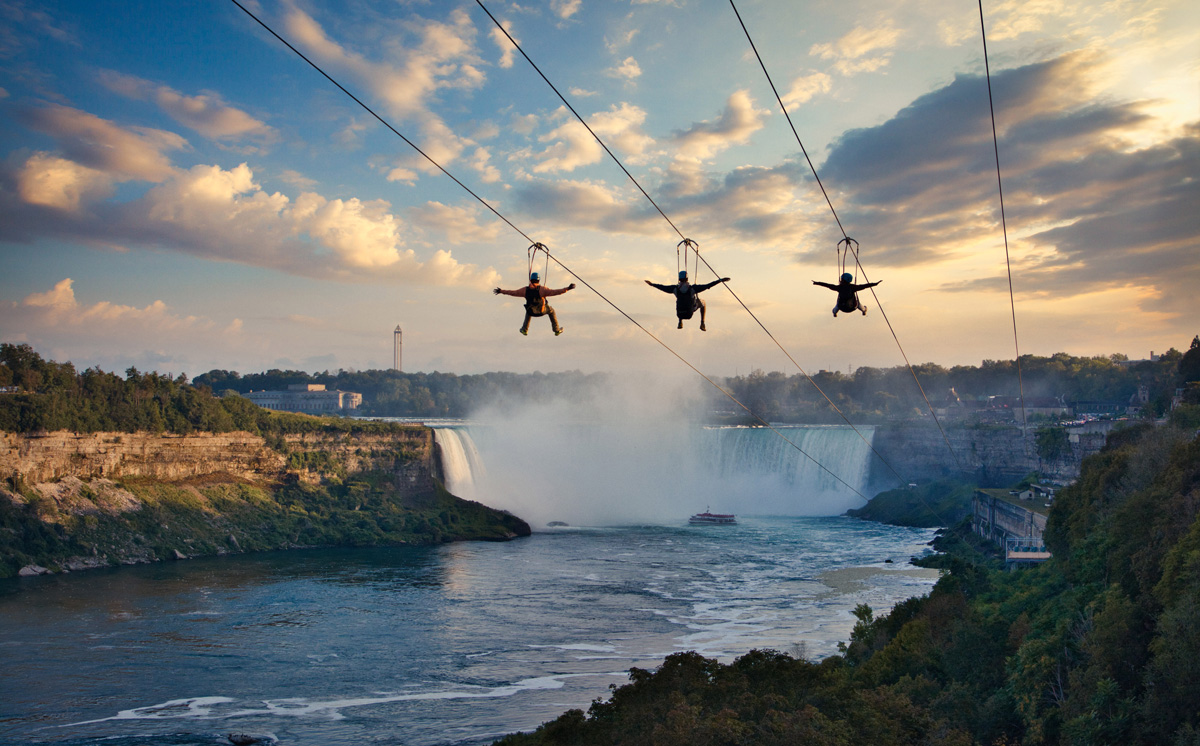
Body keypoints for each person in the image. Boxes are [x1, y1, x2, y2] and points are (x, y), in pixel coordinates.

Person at [494, 272, 576, 336]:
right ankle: (556, 329)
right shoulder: (543, 290)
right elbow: (555, 292)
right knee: (551, 310)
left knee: (529, 309)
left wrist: (501, 291)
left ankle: (524, 329)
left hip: (532, 312)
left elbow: (512, 292)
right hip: (542, 311)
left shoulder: (525, 290)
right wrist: (567, 288)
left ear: (530, 280)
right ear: (539, 280)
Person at [645, 271, 730, 331]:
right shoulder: (693, 288)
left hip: (679, 313)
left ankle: (680, 321)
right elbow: (708, 285)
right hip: (689, 313)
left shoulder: (674, 289)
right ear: (687, 278)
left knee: (679, 301)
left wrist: (652, 284)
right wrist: (720, 280)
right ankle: (702, 323)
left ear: (679, 279)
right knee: (703, 302)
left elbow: (663, 287)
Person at [813, 273, 882, 317]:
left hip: (842, 307)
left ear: (843, 280)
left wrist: (817, 283)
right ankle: (864, 310)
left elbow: (828, 285)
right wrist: (875, 284)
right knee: (857, 302)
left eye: (841, 279)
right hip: (852, 307)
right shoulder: (853, 287)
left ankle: (835, 313)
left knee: (837, 304)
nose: (840, 280)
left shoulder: (839, 288)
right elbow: (864, 286)